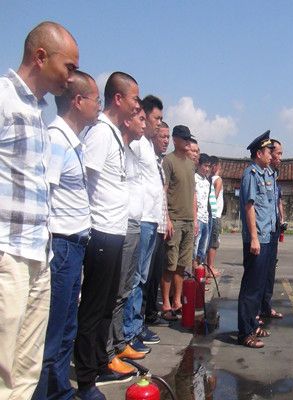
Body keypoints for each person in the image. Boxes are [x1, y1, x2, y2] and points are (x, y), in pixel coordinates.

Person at [0, 21, 78, 400]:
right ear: (41, 56)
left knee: (26, 368)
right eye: (70, 67)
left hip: (37, 254)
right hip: (8, 255)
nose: (71, 76)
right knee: (2, 364)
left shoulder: (36, 113)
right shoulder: (3, 98)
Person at [32, 71, 99, 400]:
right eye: (95, 100)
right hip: (61, 246)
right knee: (53, 332)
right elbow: (45, 196)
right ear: (78, 101)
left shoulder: (74, 142)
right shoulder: (57, 140)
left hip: (75, 246)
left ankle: (60, 391)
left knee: (67, 328)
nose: (98, 107)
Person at [74, 72, 140, 396]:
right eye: (133, 99)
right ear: (118, 99)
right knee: (93, 308)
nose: (135, 105)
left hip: (115, 233)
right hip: (100, 233)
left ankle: (101, 362)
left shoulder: (113, 134)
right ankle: (86, 375)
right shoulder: (100, 133)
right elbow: (84, 182)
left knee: (104, 307)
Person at [105, 107, 149, 367]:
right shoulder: (107, 140)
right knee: (116, 291)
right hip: (116, 226)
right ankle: (108, 352)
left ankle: (120, 343)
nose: (143, 124)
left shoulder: (130, 151)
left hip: (133, 223)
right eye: (140, 117)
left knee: (125, 288)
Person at [125, 95, 165, 349]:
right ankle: (129, 330)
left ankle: (136, 325)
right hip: (141, 220)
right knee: (136, 278)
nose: (159, 124)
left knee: (142, 278)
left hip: (152, 220)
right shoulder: (137, 145)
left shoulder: (149, 148)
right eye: (156, 118)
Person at [238, 131, 277, 348]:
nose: (271, 155)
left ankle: (253, 324)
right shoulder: (250, 175)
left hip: (267, 236)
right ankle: (245, 333)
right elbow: (249, 207)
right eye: (268, 151)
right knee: (251, 288)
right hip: (257, 238)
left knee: (259, 286)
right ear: (259, 153)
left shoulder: (267, 173)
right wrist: (253, 237)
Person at [161, 125, 197, 321]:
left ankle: (177, 301)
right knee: (169, 264)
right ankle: (165, 303)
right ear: (175, 139)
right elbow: (164, 190)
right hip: (174, 219)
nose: (187, 142)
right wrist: (166, 218)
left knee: (183, 264)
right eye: (184, 139)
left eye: (189, 139)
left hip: (189, 220)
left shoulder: (191, 164)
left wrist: (194, 218)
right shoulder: (169, 161)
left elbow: (193, 193)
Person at [144, 122, 171, 326]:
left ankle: (150, 313)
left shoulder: (158, 163)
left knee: (155, 274)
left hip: (161, 227)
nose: (165, 140)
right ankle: (144, 316)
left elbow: (163, 197)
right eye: (162, 136)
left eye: (167, 137)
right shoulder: (147, 161)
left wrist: (167, 219)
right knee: (144, 276)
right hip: (149, 224)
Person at [260, 138, 285, 320]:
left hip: (275, 225)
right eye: (277, 154)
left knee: (270, 269)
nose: (279, 158)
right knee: (261, 271)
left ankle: (266, 306)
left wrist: (282, 220)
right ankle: (258, 309)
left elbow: (278, 201)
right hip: (264, 229)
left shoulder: (274, 175)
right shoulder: (261, 174)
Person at [194, 153, 213, 267]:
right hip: (197, 218)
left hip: (205, 218)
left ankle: (198, 275)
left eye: (209, 166)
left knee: (202, 249)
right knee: (194, 248)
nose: (207, 169)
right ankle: (191, 275)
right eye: (205, 166)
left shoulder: (207, 182)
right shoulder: (193, 178)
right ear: (199, 165)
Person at [206, 156, 223, 277]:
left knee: (208, 242)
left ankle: (207, 267)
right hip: (215, 214)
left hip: (208, 214)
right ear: (216, 166)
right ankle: (210, 267)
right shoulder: (218, 180)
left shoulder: (207, 179)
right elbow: (215, 196)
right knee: (214, 243)